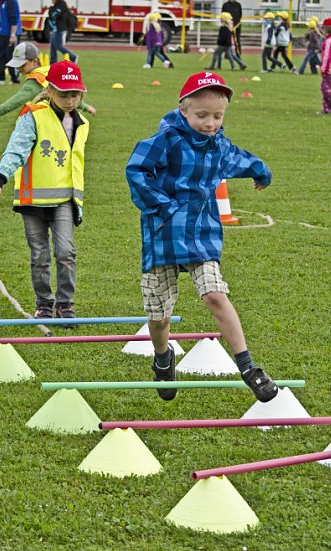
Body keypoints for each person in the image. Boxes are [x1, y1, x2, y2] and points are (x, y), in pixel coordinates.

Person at [125, 72, 278, 403]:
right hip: (163, 233)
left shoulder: (219, 145)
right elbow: (136, 170)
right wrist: (161, 206)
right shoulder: (165, 142)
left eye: (218, 116)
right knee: (159, 314)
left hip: (202, 232)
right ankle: (163, 358)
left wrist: (261, 171)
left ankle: (249, 368)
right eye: (202, 115)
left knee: (214, 294)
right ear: (183, 109)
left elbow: (241, 159)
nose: (210, 123)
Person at [0, 61, 89, 323]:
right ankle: (44, 303)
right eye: (64, 94)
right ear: (51, 90)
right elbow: (16, 149)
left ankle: (65, 303)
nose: (69, 100)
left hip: (65, 199)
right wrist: (0, 179)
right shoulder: (32, 115)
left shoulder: (82, 123)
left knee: (66, 253)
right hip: (32, 200)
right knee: (40, 256)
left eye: (74, 94)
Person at [0, 42, 96, 121]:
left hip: (50, 117)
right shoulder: (49, 70)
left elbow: (18, 99)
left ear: (35, 61)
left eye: (22, 65)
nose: (18, 68)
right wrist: (86, 107)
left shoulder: (35, 80)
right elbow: (69, 94)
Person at [0, 0, 21, 84]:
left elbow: (14, 17)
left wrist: (13, 34)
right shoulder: (2, 2)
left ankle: (15, 79)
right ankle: (0, 78)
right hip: (2, 33)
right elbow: (1, 18)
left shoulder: (12, 1)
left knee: (11, 57)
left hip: (10, 34)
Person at [48, 0, 78, 64]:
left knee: (59, 46)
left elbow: (54, 15)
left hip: (59, 29)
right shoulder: (59, 6)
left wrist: (51, 10)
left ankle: (73, 57)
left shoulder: (59, 7)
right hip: (55, 29)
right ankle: (52, 62)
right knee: (53, 46)